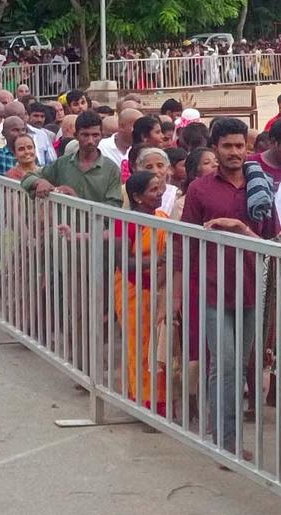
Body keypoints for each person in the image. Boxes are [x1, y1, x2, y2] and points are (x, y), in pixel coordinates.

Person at [177, 117, 279, 458]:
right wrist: (182, 292)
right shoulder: (199, 189)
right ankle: (226, 440)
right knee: (223, 363)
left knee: (240, 363)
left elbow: (272, 239)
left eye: (240, 146)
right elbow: (186, 242)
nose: (235, 152)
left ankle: (224, 434)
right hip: (212, 287)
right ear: (215, 148)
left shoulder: (260, 184)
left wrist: (242, 230)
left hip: (251, 286)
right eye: (227, 146)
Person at [113, 170, 171, 414]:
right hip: (133, 289)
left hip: (161, 290)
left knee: (160, 347)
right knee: (140, 345)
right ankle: (144, 402)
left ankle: (163, 401)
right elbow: (123, 261)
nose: (160, 194)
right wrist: (159, 260)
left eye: (161, 188)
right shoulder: (125, 222)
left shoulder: (163, 217)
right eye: (153, 190)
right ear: (137, 197)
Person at [21, 110, 122, 206]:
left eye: (95, 135)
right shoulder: (62, 163)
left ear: (101, 136)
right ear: (76, 136)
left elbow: (114, 206)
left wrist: (76, 201)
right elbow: (27, 178)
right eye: (85, 135)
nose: (90, 140)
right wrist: (41, 182)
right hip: (63, 224)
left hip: (96, 224)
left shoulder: (111, 169)